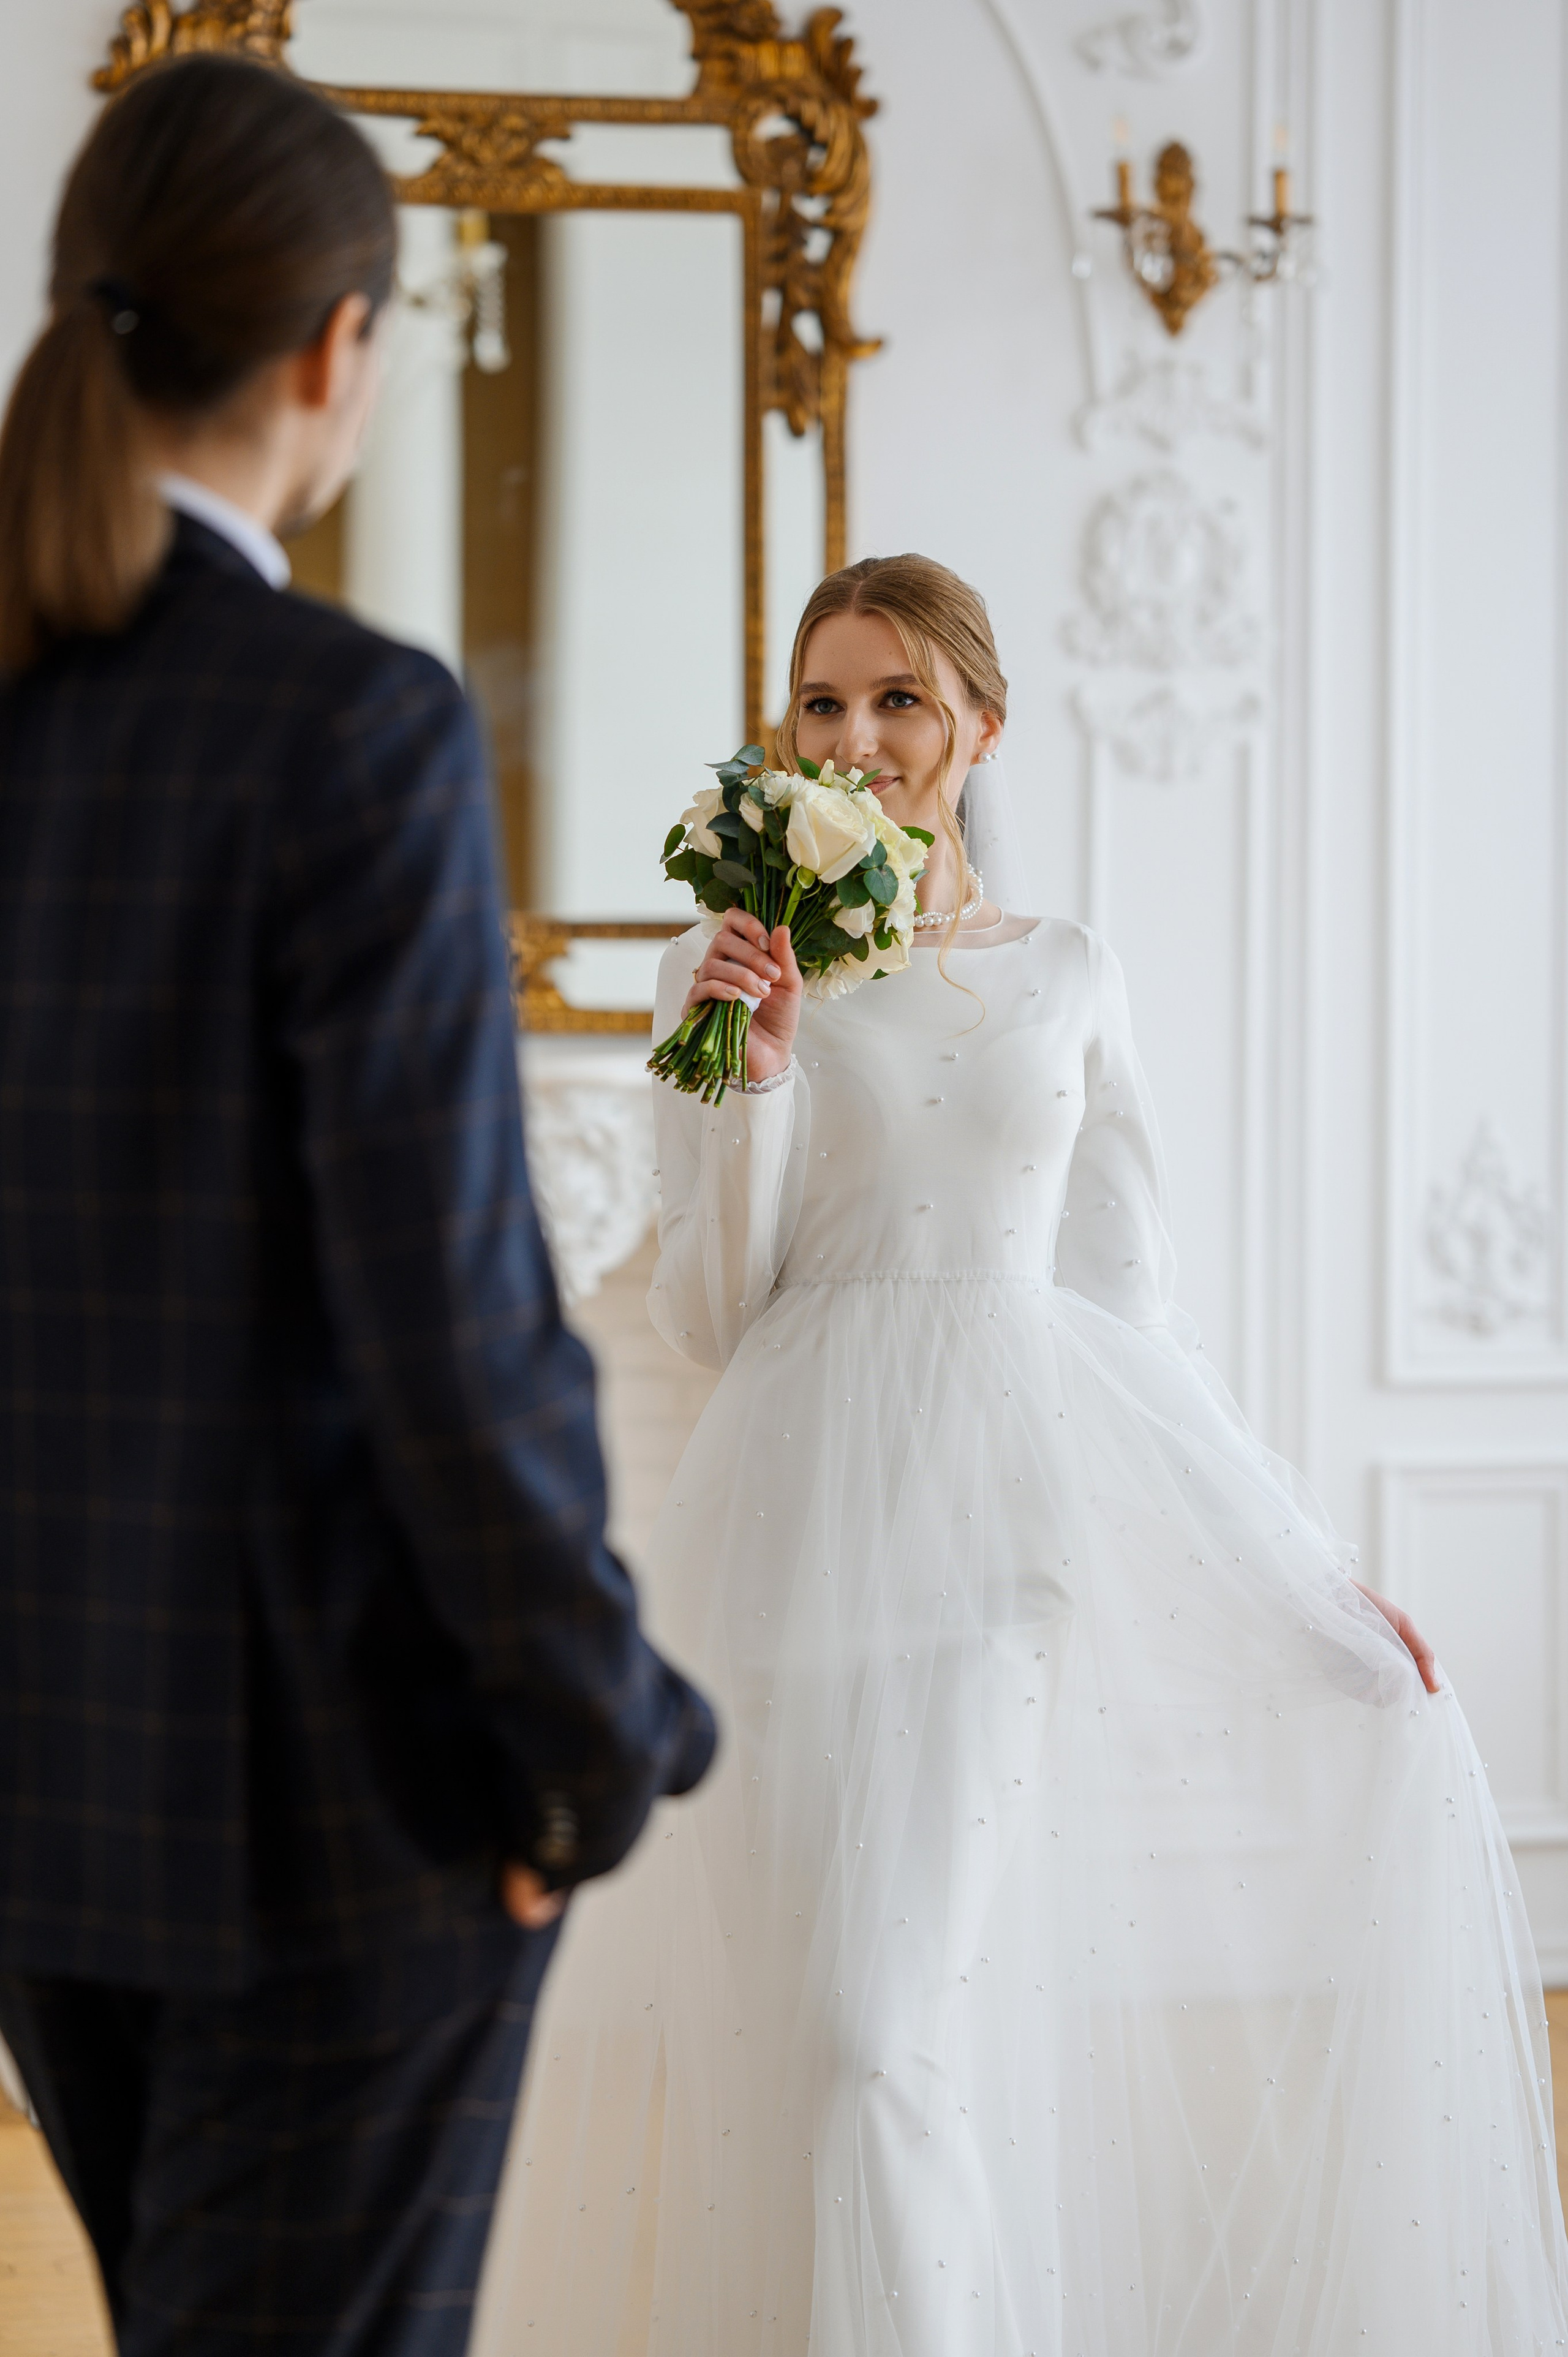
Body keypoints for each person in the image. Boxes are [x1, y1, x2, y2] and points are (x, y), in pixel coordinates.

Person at [477, 553, 1568, 2355]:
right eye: (825, 702)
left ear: (982, 727)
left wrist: (1306, 1578)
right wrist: (752, 1071)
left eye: (901, 699)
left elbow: (1137, 1313)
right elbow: (710, 1310)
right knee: (800, 2046)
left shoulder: (1068, 975)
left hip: (997, 1539)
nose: (861, 736)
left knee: (875, 2031)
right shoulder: (718, 958)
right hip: (783, 1519)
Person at [0, 54, 714, 2357]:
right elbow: (456, 1332)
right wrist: (594, 1746)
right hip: (339, 1817)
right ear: (338, 351)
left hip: (53, 1788)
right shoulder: (350, 724)